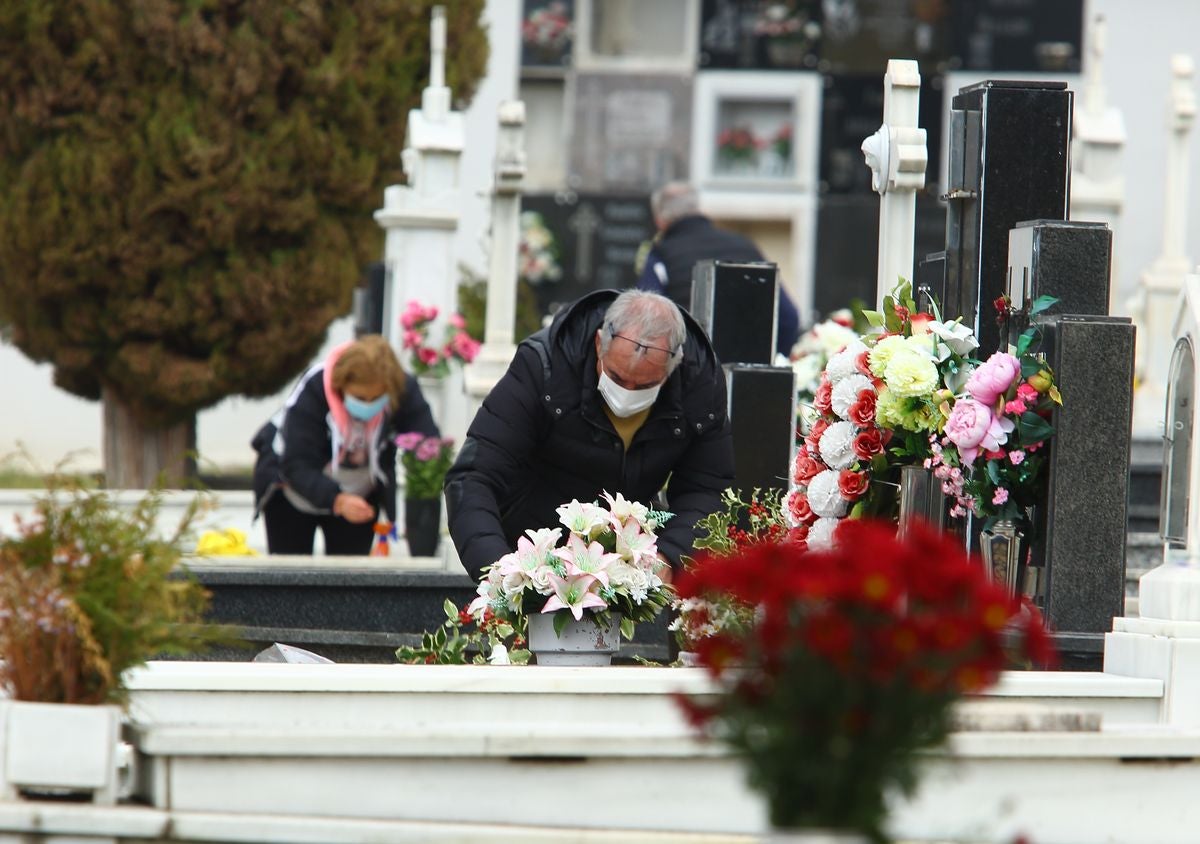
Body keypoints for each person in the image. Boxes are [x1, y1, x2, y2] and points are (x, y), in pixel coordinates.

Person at [444, 288, 734, 580]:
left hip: (630, 566)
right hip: (528, 549)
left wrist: (670, 557)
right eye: (617, 377)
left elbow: (706, 488)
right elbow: (474, 476)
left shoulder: (700, 387)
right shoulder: (545, 366)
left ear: (675, 366)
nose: (627, 393)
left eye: (645, 385)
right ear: (599, 344)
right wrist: (498, 570)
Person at [252, 335, 438, 555]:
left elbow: (427, 444)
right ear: (341, 385)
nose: (368, 405)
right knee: (290, 578)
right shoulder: (315, 388)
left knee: (350, 581)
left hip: (359, 497)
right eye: (359, 397)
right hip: (293, 494)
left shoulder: (402, 387)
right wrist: (337, 501)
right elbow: (296, 464)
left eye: (377, 398)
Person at [636, 181, 801, 356]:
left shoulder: (662, 254)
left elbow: (646, 318)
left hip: (690, 366)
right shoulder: (745, 247)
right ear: (697, 208)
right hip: (746, 368)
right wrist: (769, 360)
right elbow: (788, 318)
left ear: (659, 220)